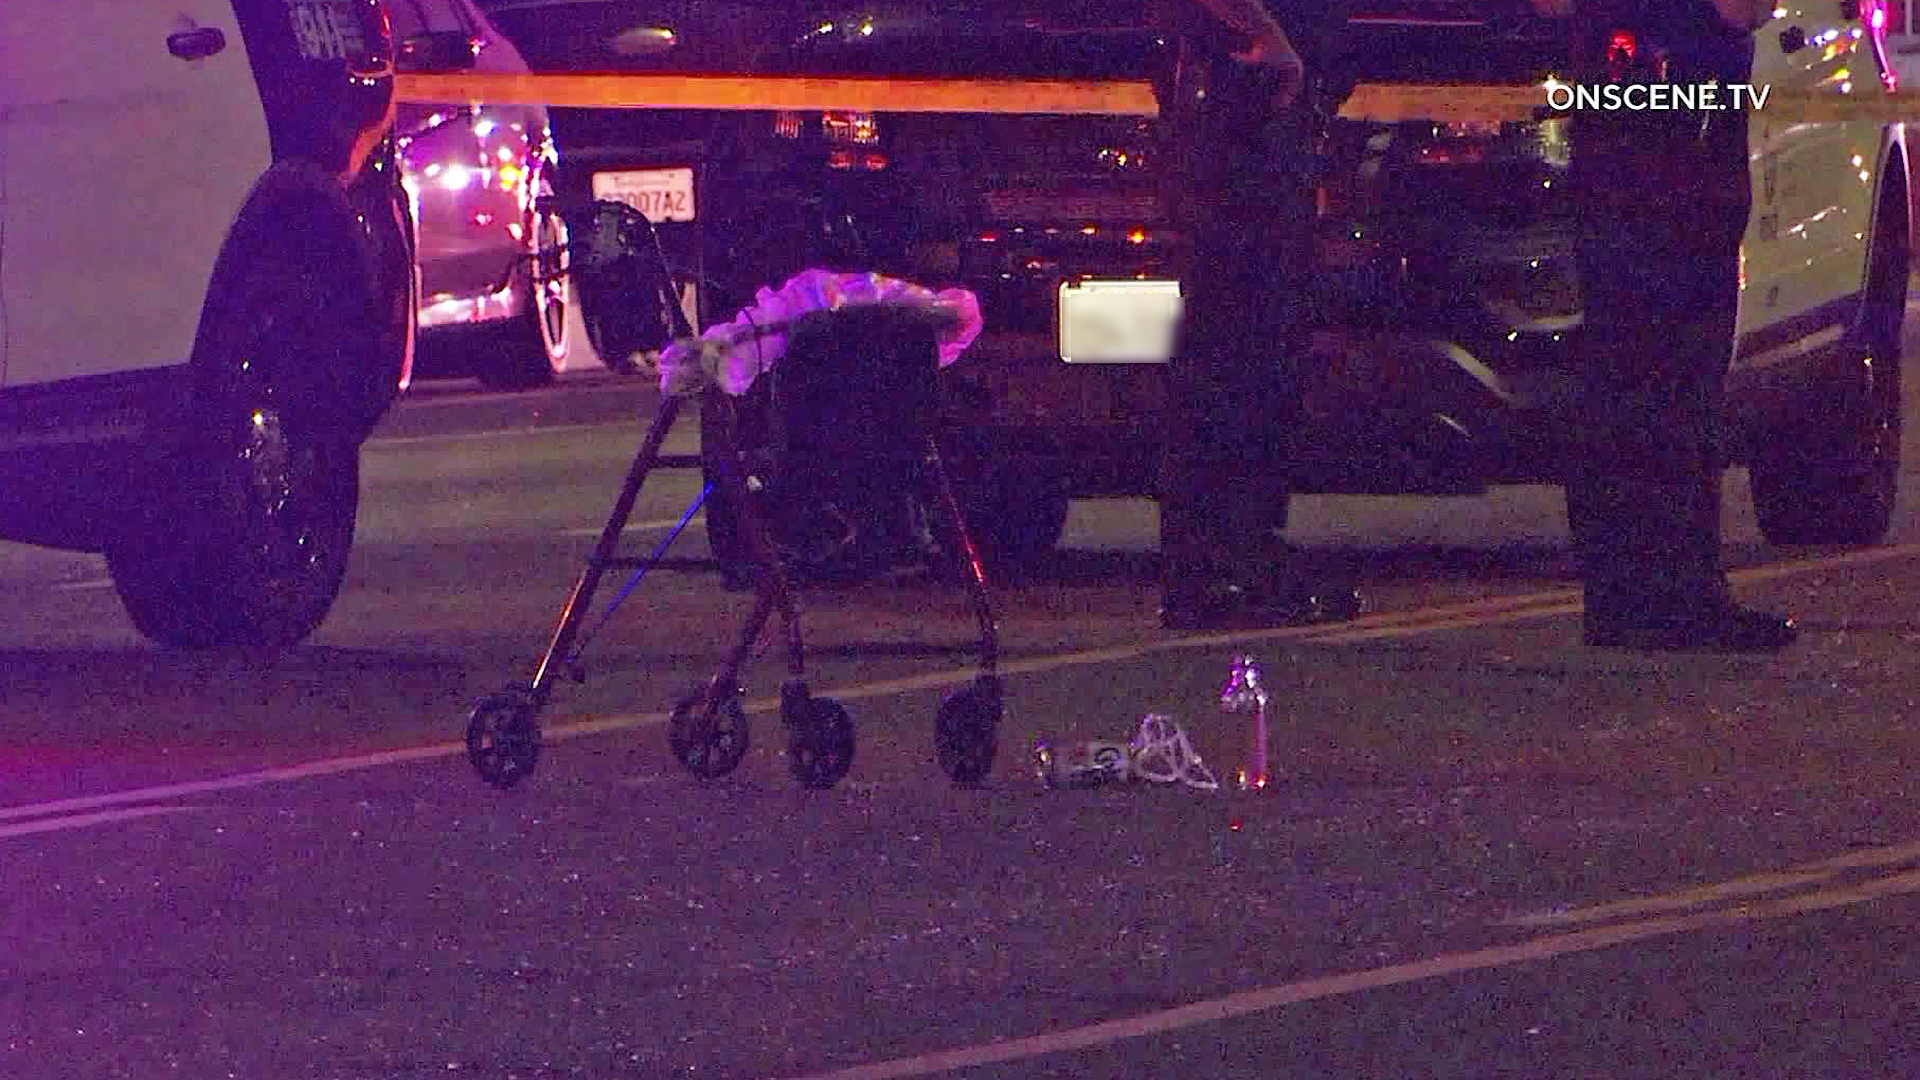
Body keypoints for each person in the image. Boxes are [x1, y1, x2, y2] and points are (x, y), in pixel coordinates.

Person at [1534, 0, 1796, 650]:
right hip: (1688, 136)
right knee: (1682, 371)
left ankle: (1620, 594)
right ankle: (1682, 590)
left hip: (1610, 126)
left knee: (1618, 368)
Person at [1151, 0, 1362, 631]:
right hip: (1243, 128)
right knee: (1240, 358)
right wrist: (1268, 35)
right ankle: (1225, 563)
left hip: (1248, 126)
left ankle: (1231, 557)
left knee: (1250, 357)